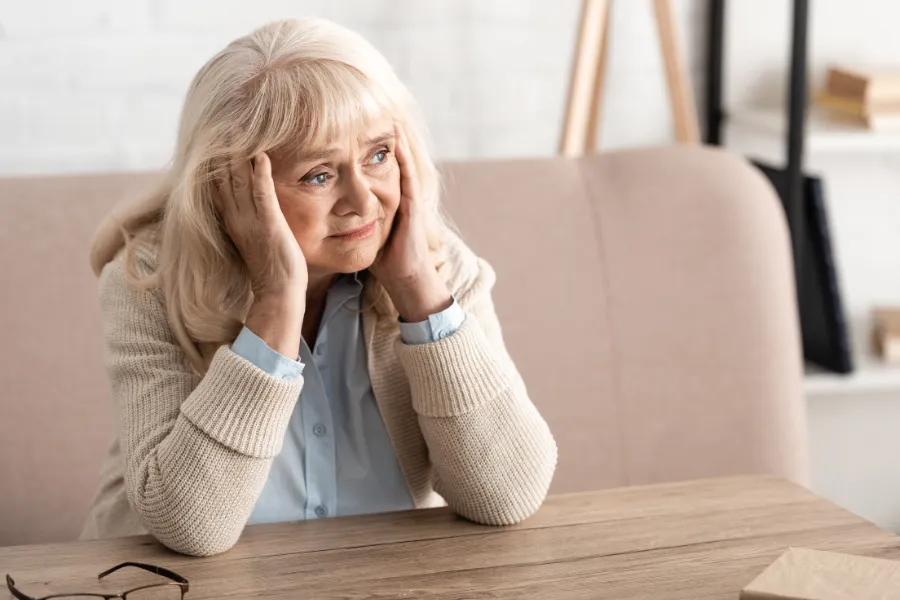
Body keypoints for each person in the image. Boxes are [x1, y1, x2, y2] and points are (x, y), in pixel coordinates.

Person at [80, 17, 557, 557]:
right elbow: (188, 526)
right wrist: (275, 304)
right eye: (319, 174)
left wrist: (417, 291)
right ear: (228, 187)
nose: (363, 200)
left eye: (377, 155)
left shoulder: (440, 266)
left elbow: (508, 496)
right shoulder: (148, 281)